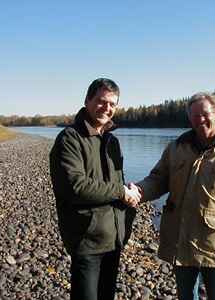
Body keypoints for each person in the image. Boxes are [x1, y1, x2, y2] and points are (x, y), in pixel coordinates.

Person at [133, 92, 215, 300]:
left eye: (205, 114)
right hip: (180, 241)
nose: (199, 120)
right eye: (194, 116)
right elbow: (157, 180)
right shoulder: (176, 148)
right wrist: (136, 191)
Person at [49, 78, 140, 300]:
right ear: (87, 100)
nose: (106, 108)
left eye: (112, 104)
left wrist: (130, 193)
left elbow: (116, 181)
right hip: (87, 240)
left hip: (114, 238)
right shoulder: (70, 139)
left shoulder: (111, 141)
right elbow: (76, 187)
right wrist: (120, 191)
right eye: (101, 101)